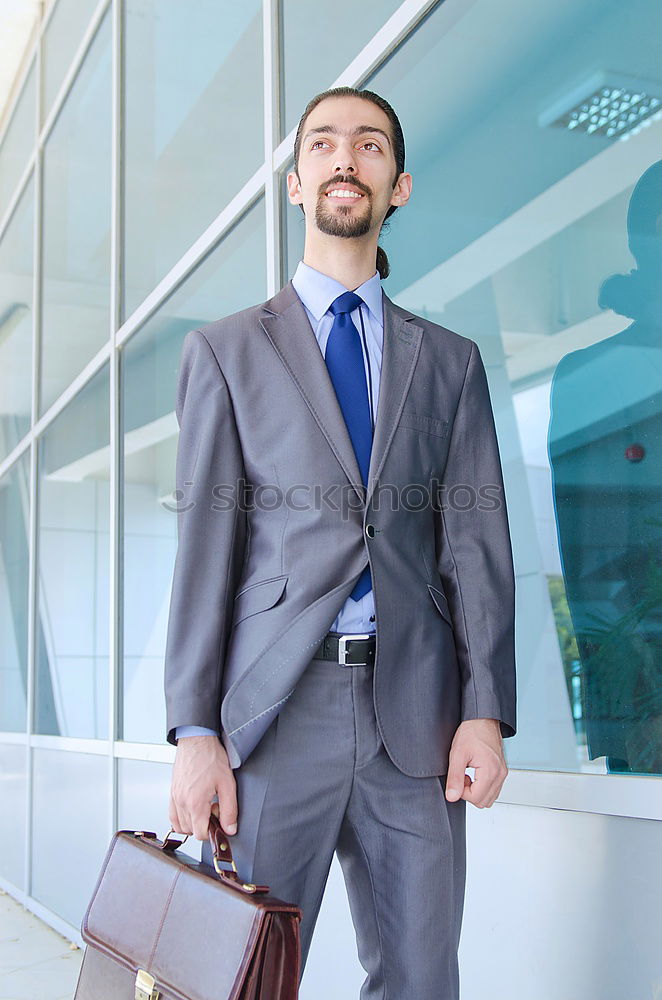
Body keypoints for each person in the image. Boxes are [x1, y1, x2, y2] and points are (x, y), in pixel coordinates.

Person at [164, 85, 517, 998]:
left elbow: (472, 547)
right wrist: (196, 730)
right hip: (277, 717)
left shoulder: (452, 363)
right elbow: (206, 554)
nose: (344, 158)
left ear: (397, 186)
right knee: (240, 976)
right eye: (321, 144)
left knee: (420, 979)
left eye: (368, 145)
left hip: (420, 719)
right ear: (296, 184)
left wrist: (485, 706)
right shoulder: (227, 352)